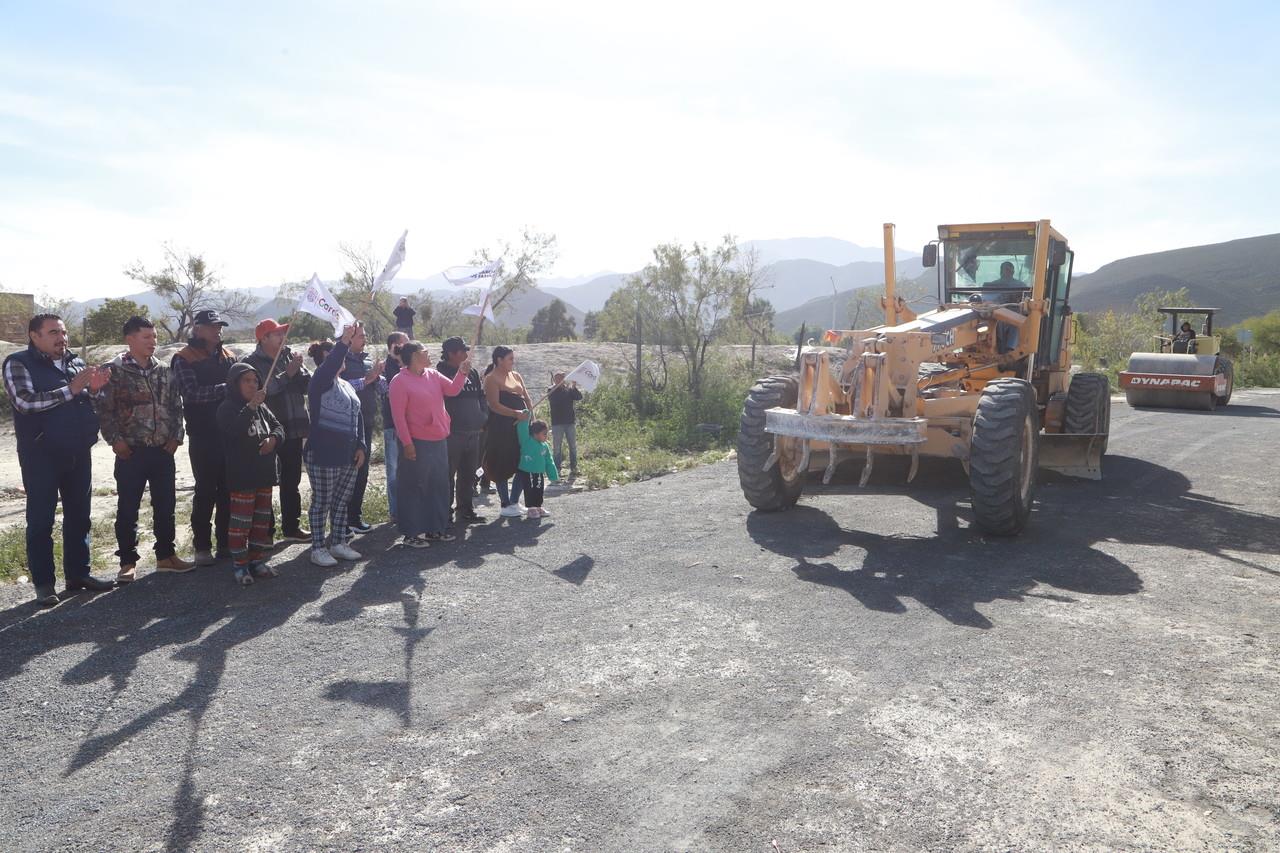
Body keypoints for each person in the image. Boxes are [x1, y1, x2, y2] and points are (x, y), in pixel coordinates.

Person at [3, 313, 113, 606]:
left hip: (78, 451)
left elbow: (92, 403)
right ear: (34, 336)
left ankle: (79, 575)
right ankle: (44, 584)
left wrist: (95, 390)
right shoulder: (18, 363)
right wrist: (72, 389)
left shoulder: (75, 363)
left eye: (63, 332)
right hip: (41, 455)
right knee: (41, 520)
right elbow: (25, 402)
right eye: (53, 332)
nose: (61, 338)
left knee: (79, 517)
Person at [98, 315, 194, 584]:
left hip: (163, 450)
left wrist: (176, 437)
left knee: (166, 506)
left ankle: (166, 556)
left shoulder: (164, 370)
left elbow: (176, 407)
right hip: (131, 452)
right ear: (130, 339)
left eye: (154, 337)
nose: (153, 342)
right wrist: (115, 441)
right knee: (128, 508)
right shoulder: (113, 371)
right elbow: (105, 411)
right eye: (146, 337)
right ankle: (127, 562)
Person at [388, 340, 472, 547]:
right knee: (414, 486)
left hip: (439, 439)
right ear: (415, 356)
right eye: (425, 352)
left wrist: (462, 373)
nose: (429, 354)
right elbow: (398, 417)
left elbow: (452, 390)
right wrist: (407, 444)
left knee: (439, 485)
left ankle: (436, 529)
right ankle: (411, 533)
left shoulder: (432, 374)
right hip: (417, 441)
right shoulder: (399, 381)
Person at [171, 309, 236, 565]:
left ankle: (226, 544)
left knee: (228, 491)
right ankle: (201, 547)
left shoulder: (229, 356)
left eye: (219, 325)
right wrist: (226, 389)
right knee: (205, 491)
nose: (217, 330)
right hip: (203, 435)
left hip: (230, 434)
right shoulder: (183, 357)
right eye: (212, 326)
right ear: (197, 329)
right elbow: (190, 393)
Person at [242, 318, 311, 542]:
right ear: (263, 338)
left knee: (292, 481)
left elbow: (308, 386)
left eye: (283, 334)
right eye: (277, 334)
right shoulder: (251, 362)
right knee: (265, 482)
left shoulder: (288, 356)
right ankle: (265, 533)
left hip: (294, 428)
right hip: (267, 431)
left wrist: (299, 371)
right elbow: (262, 392)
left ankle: (292, 528)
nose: (282, 338)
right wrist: (287, 374)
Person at [217, 363, 286, 585]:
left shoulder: (263, 408)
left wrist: (273, 440)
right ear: (235, 383)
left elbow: (279, 427)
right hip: (243, 476)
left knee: (261, 523)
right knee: (241, 523)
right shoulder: (227, 407)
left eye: (255, 380)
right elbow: (234, 431)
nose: (252, 384)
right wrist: (251, 407)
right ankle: (240, 565)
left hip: (264, 474)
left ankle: (257, 561)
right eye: (246, 380)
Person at [304, 327, 367, 567]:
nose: (343, 359)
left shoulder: (347, 385)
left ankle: (339, 543)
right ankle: (318, 548)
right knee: (322, 501)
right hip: (323, 452)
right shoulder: (319, 381)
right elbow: (330, 367)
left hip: (347, 453)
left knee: (341, 500)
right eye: (338, 356)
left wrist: (360, 445)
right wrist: (344, 342)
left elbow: (357, 416)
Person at [436, 336, 487, 524]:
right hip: (452, 433)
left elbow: (481, 396)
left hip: (473, 432)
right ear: (451, 354)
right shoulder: (440, 372)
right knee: (447, 474)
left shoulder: (471, 372)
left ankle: (465, 510)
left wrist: (483, 417)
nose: (467, 354)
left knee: (468, 474)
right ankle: (444, 512)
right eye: (463, 351)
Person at [340, 324, 384, 534]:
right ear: (348, 338)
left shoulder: (367, 360)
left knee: (362, 471)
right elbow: (342, 385)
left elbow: (378, 386)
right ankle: (341, 520)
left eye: (365, 336)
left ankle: (355, 517)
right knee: (346, 472)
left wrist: (380, 378)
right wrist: (368, 379)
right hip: (346, 424)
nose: (364, 339)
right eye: (360, 336)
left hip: (366, 420)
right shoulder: (340, 360)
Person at [482, 346, 533, 518]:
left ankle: (514, 501)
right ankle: (504, 503)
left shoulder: (516, 375)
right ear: (499, 360)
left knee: (523, 461)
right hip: (501, 427)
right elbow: (494, 405)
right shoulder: (491, 379)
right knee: (502, 462)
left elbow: (526, 397)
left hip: (522, 427)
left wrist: (530, 415)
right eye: (510, 358)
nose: (513, 361)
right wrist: (514, 414)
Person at [381, 331, 408, 523]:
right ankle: (396, 512)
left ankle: (411, 509)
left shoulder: (409, 364)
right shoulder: (386, 367)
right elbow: (392, 393)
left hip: (411, 424)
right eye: (405, 343)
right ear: (394, 345)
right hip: (392, 424)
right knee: (394, 470)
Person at [515, 418, 559, 518]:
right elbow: (522, 428)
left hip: (539, 472)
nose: (546, 436)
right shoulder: (526, 441)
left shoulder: (545, 445)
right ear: (535, 433)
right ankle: (531, 509)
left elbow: (549, 461)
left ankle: (538, 507)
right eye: (544, 433)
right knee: (529, 489)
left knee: (539, 489)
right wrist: (526, 415)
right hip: (527, 471)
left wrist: (553, 475)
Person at [546, 372, 583, 478]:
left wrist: (574, 387)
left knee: (573, 446)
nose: (559, 380)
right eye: (557, 379)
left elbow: (579, 397)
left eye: (561, 378)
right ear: (554, 380)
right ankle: (557, 468)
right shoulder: (551, 390)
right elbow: (556, 400)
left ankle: (574, 467)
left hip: (570, 422)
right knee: (557, 447)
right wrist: (561, 388)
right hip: (557, 423)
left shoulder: (569, 390)